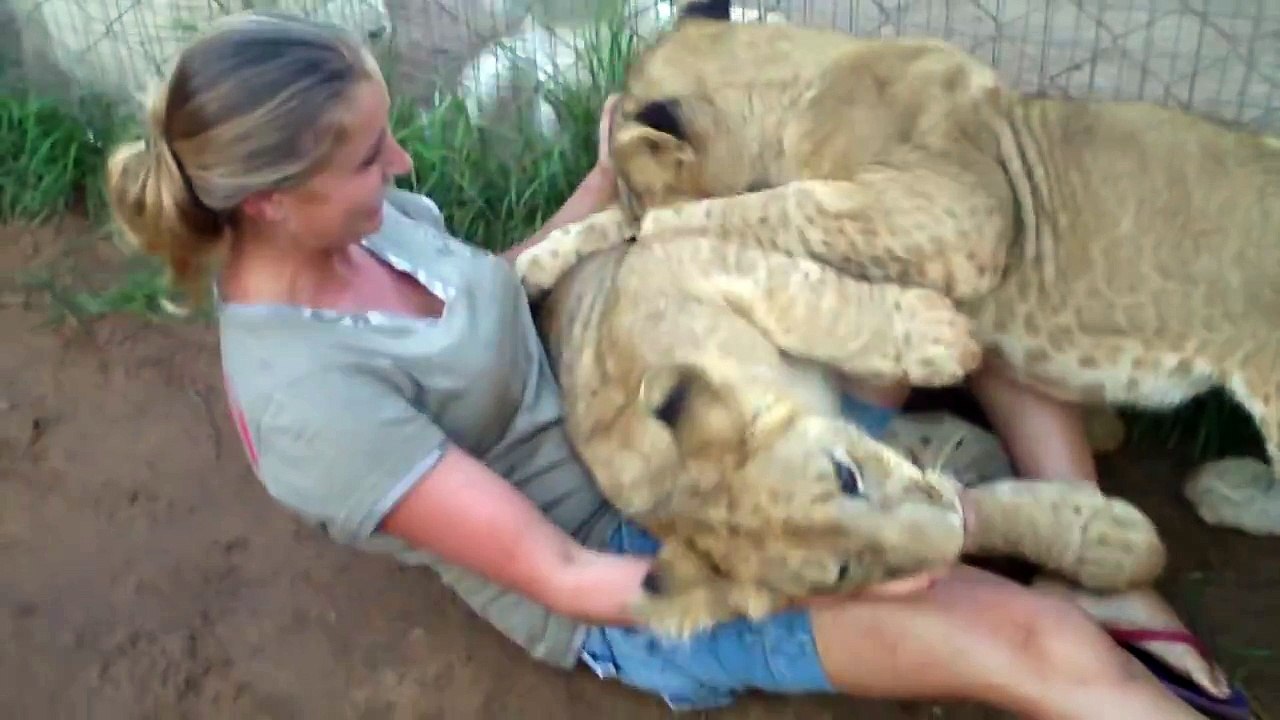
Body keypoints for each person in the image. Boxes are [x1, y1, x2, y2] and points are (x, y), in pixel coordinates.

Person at [102, 11, 1242, 719]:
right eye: (367, 157)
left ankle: (1108, 574)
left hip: (647, 389)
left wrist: (605, 180)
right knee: (1020, 640)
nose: (401, 164)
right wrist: (805, 571)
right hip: (636, 563)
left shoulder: (354, 224)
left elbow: (488, 287)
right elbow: (556, 570)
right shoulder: (311, 411)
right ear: (268, 201)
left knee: (941, 253)